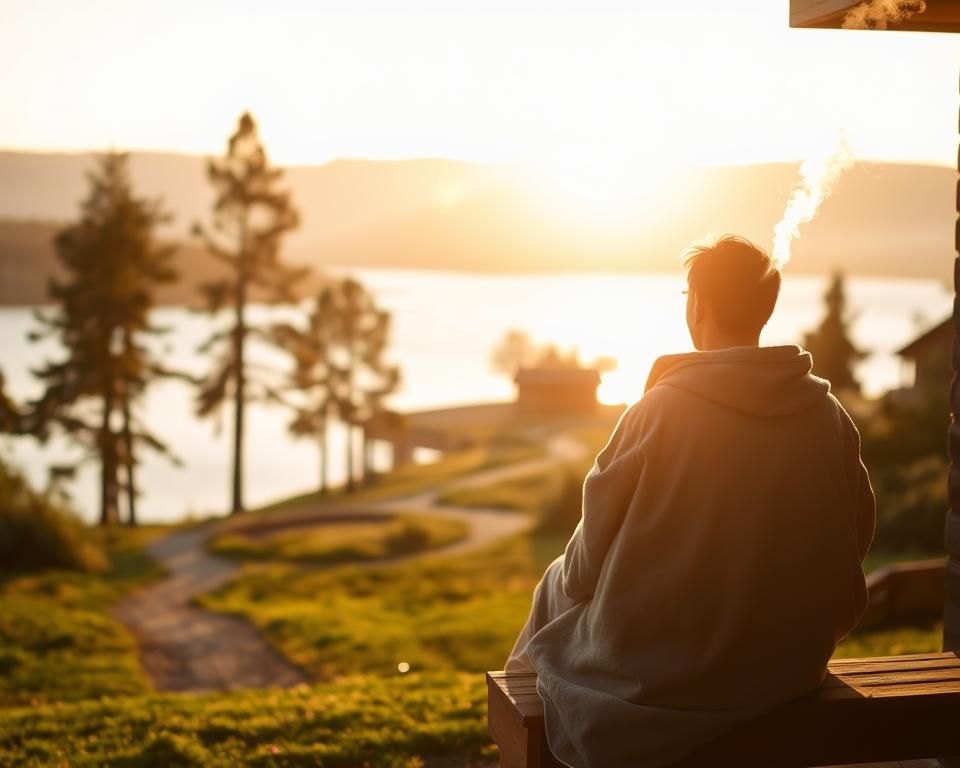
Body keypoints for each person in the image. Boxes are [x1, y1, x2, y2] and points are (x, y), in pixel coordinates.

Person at [506, 235, 875, 768]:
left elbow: (582, 573)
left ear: (697, 304)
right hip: (786, 670)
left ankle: (522, 746)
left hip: (661, 676)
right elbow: (855, 541)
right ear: (764, 310)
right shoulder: (829, 416)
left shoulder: (658, 411)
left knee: (553, 582)